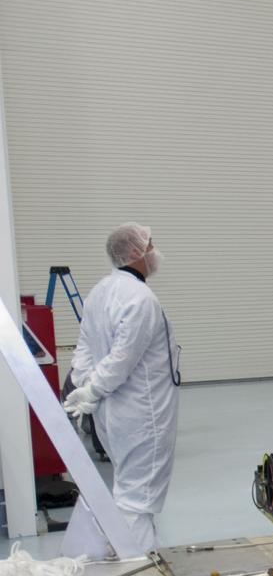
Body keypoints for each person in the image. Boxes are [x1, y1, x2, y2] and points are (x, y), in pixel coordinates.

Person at [62, 222, 180, 557]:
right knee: (138, 498)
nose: (155, 252)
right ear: (135, 253)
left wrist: (85, 385)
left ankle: (126, 553)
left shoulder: (101, 290)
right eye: (151, 245)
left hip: (111, 414)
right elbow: (123, 357)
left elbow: (84, 347)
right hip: (143, 413)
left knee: (127, 486)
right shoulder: (140, 298)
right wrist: (94, 388)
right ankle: (137, 567)